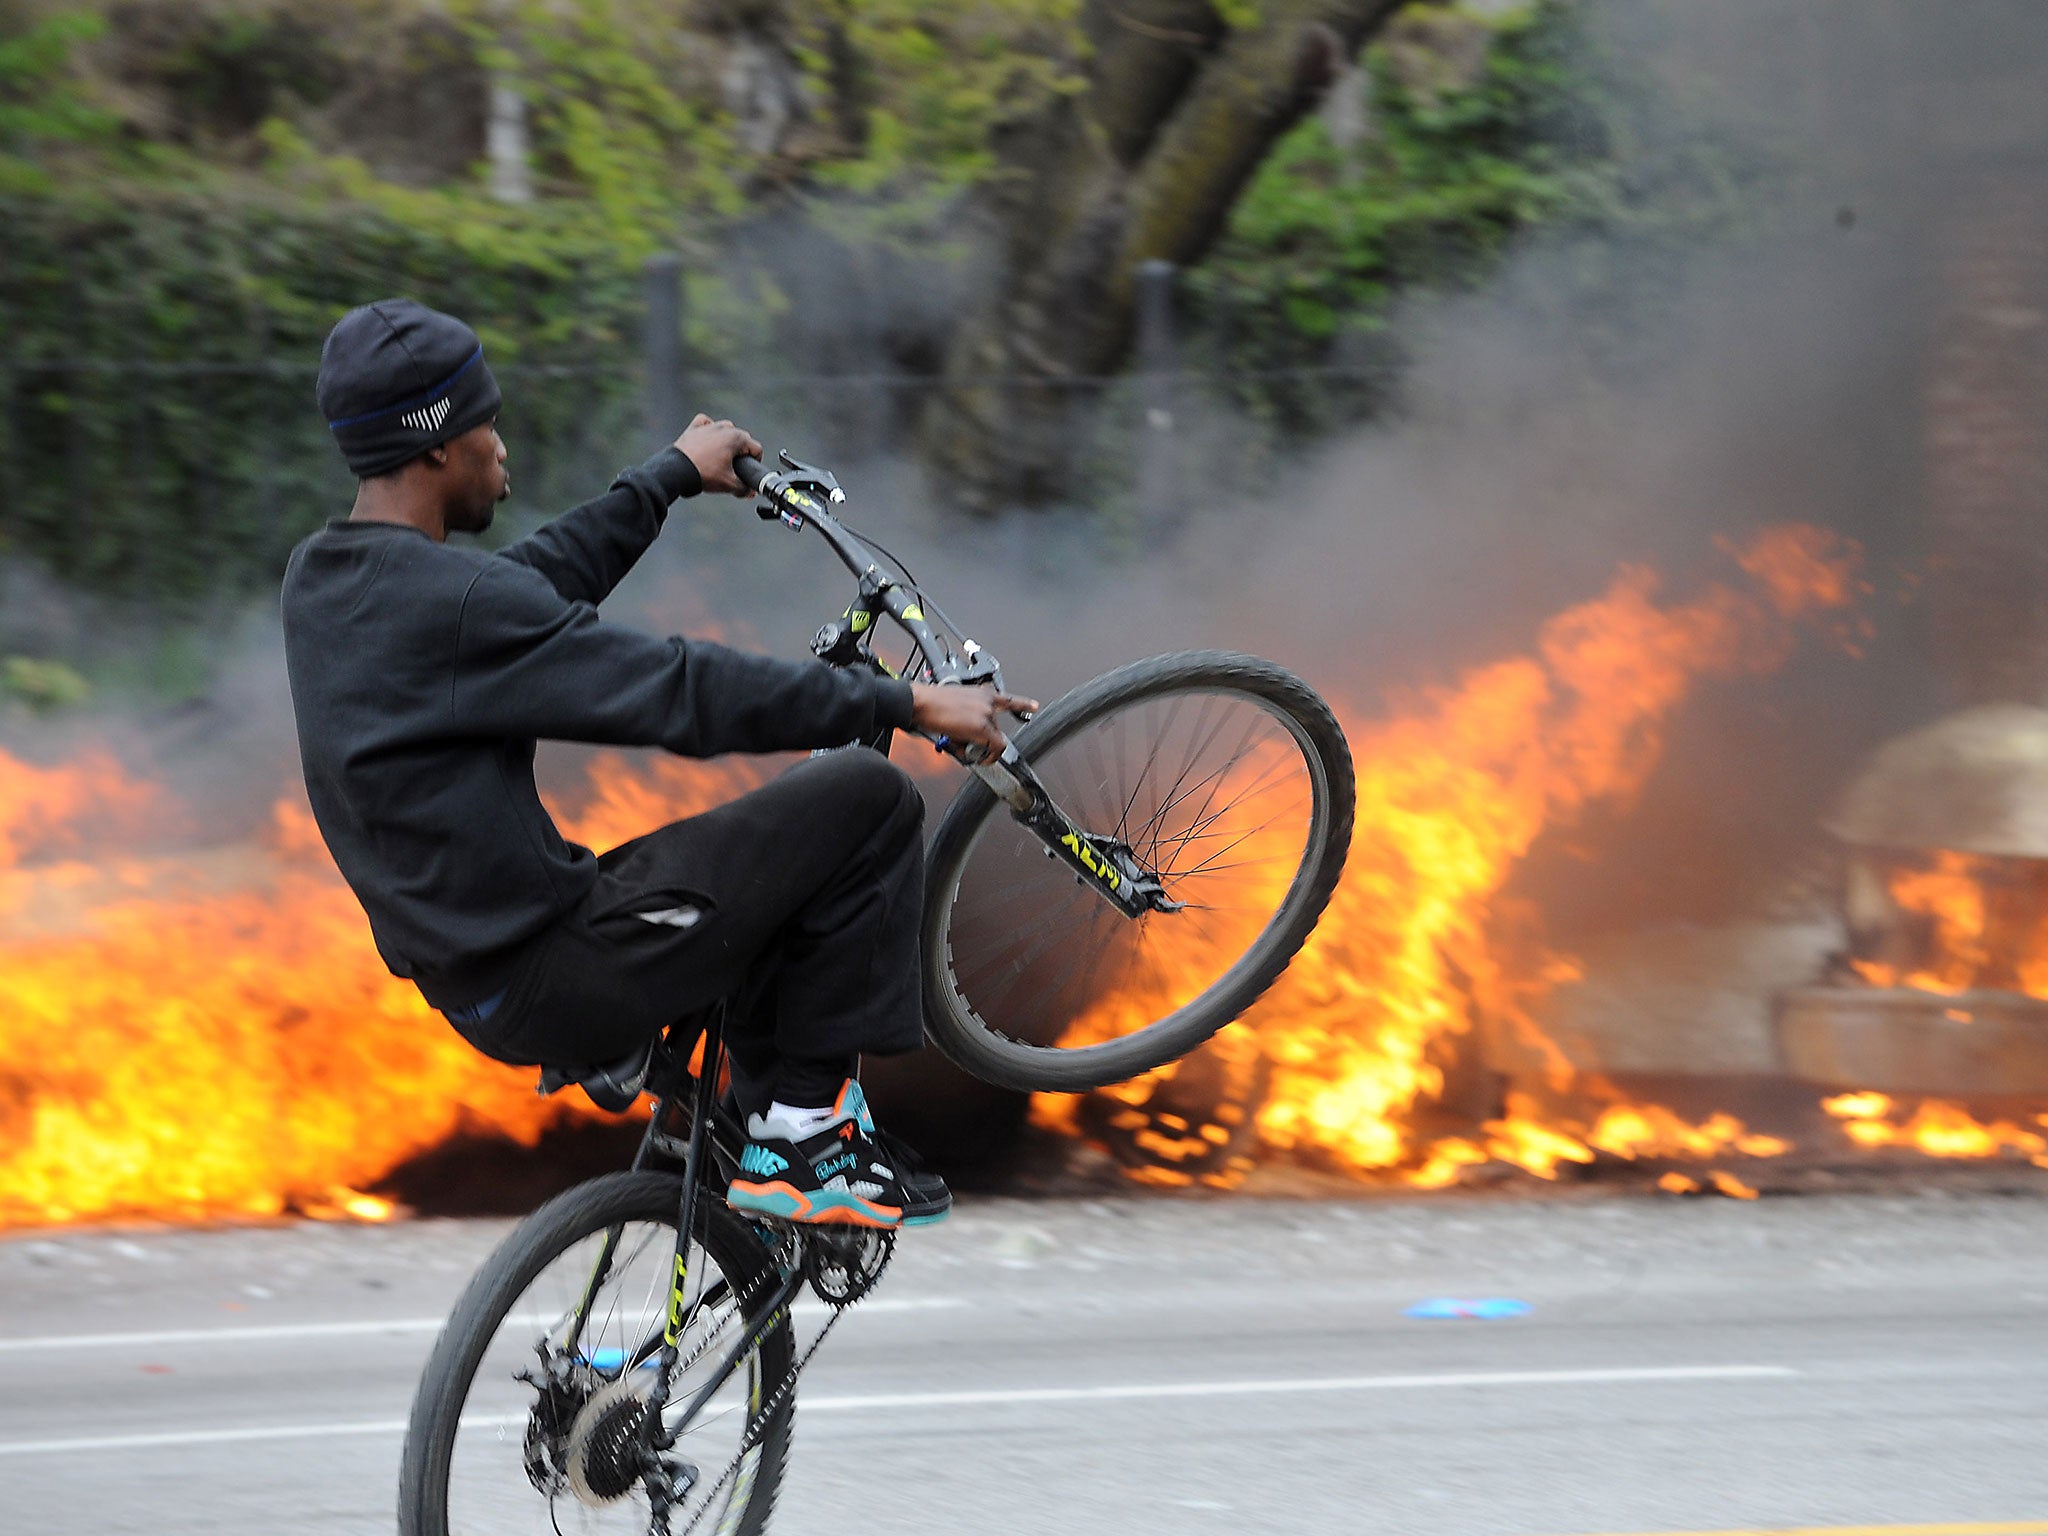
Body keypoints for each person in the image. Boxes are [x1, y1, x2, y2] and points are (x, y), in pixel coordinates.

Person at [281, 298, 1034, 1229]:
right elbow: (679, 691)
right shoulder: (456, 607)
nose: (501, 449)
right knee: (866, 794)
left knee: (759, 873)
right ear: (438, 446)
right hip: (560, 968)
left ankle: (737, 1141)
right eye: (488, 423)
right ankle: (805, 1138)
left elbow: (518, 590)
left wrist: (667, 478)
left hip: (471, 982)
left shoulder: (325, 582)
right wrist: (906, 701)